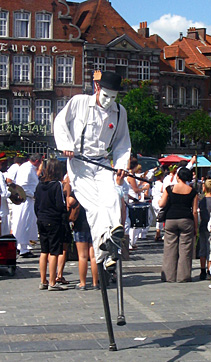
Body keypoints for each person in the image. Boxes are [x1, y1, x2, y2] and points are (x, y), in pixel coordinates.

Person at [54, 71, 131, 266]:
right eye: (106, 96)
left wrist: (121, 165)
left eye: (113, 97)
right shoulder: (79, 102)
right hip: (79, 163)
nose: (108, 101)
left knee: (112, 198)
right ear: (97, 88)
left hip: (102, 162)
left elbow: (123, 142)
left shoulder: (120, 111)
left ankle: (113, 240)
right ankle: (102, 254)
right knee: (95, 208)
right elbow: (60, 122)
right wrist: (67, 145)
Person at [159, 167, 198, 283]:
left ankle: (168, 276)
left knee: (169, 248)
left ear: (178, 176)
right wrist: (195, 227)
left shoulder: (169, 189)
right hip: (186, 219)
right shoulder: (193, 191)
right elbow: (195, 211)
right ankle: (183, 276)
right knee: (185, 249)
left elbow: (161, 204)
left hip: (171, 219)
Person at [34, 159, 67, 291]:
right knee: (54, 251)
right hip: (53, 220)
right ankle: (52, 281)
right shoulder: (57, 185)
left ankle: (43, 280)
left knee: (44, 250)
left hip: (41, 218)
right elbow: (60, 204)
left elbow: (36, 205)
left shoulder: (39, 184)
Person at [12, 153, 43, 257]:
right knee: (24, 223)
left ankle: (21, 246)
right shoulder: (27, 169)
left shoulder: (27, 167)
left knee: (25, 223)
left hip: (28, 199)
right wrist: (33, 195)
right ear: (37, 161)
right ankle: (23, 248)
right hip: (26, 199)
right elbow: (23, 186)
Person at [68, 192, 99, 291]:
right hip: (95, 224)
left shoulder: (79, 189)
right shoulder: (96, 190)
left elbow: (70, 202)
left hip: (80, 224)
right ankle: (95, 283)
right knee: (94, 256)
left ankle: (83, 283)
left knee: (82, 256)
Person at [198, 179, 211, 280]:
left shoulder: (202, 201)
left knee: (202, 248)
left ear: (204, 188)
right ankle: (210, 270)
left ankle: (202, 269)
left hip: (203, 225)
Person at [0, 151, 11, 236]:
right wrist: (13, 194)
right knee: (2, 236)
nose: (7, 166)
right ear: (2, 163)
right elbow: (3, 193)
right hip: (0, 211)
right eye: (6, 163)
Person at [152, 169, 164, 241]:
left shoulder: (154, 184)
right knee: (160, 218)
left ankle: (158, 233)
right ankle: (158, 233)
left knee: (158, 217)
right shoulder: (161, 185)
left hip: (154, 201)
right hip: (159, 201)